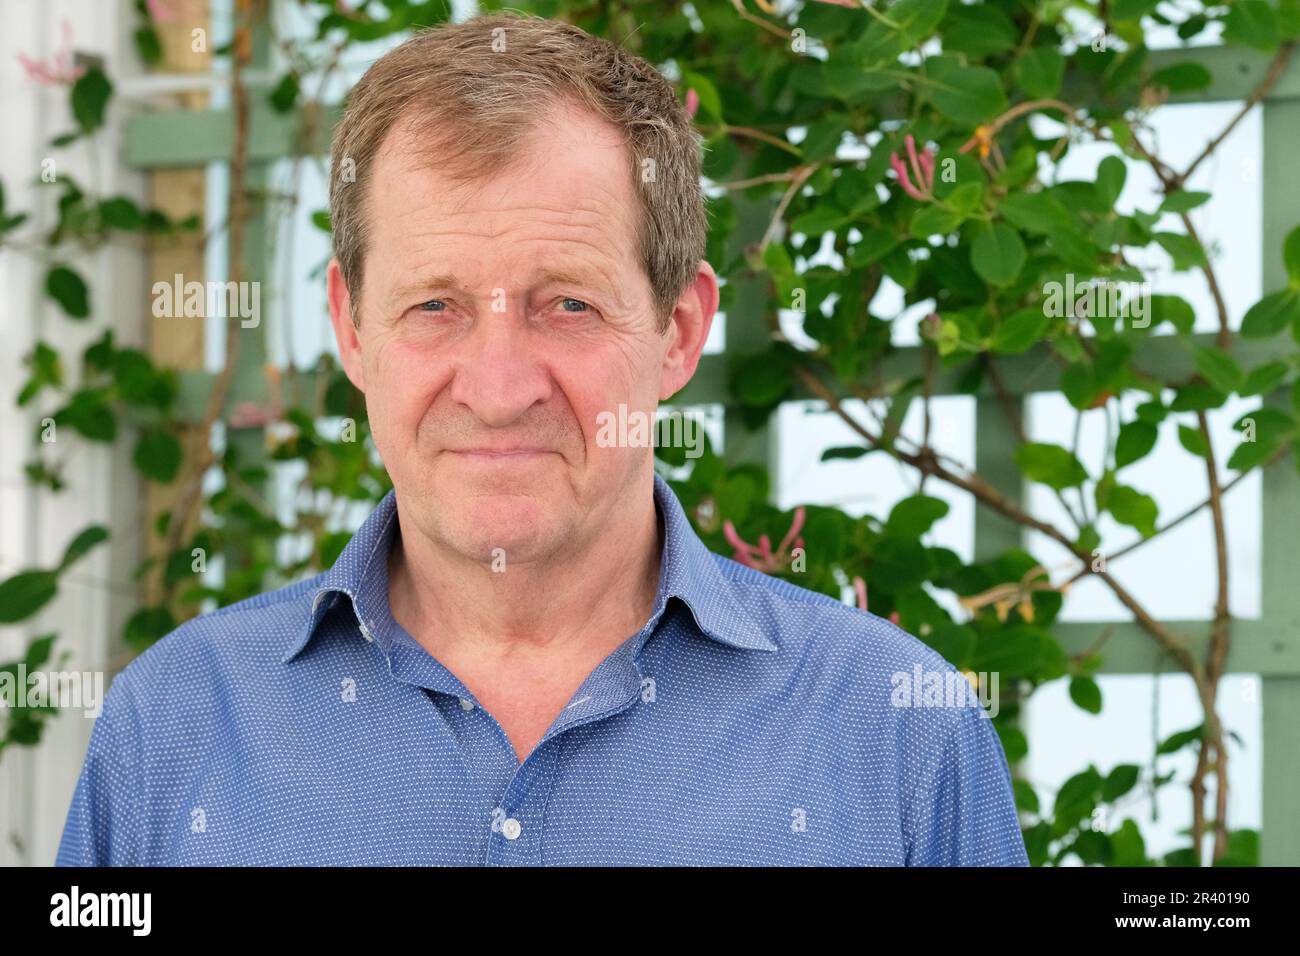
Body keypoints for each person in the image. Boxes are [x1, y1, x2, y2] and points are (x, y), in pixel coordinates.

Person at [55, 11, 1027, 866]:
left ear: (678, 332)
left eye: (565, 303)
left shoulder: (897, 734)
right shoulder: (173, 726)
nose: (498, 387)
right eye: (434, 305)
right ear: (352, 330)